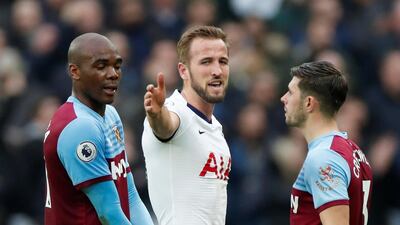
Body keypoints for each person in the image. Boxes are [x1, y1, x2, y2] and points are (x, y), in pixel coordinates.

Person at [43, 33, 154, 225]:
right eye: (101, 66)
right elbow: (108, 213)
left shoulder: (110, 114)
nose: (113, 74)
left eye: (117, 66)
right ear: (74, 71)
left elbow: (129, 193)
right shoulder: (79, 128)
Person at [142, 25, 231, 225]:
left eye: (223, 61)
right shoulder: (176, 111)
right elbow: (166, 126)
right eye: (206, 62)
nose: (217, 71)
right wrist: (157, 115)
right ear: (184, 70)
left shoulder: (215, 126)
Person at [280, 61, 373, 225]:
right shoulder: (353, 150)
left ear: (309, 103)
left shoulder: (324, 158)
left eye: (290, 92)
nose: (283, 98)